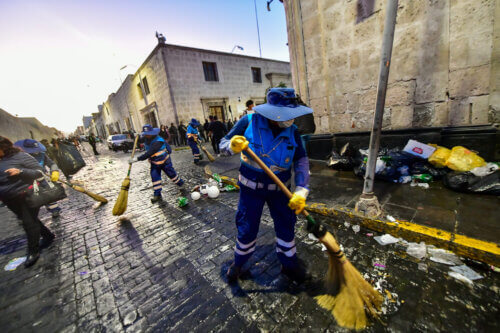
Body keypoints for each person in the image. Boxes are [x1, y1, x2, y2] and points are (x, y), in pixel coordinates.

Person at [219, 88, 313, 284]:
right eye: (285, 115)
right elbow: (223, 143)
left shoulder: (293, 132)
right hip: (251, 191)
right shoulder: (248, 122)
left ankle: (289, 265)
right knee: (247, 227)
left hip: (281, 191)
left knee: (286, 227)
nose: (289, 119)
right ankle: (240, 263)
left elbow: (302, 161)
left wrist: (301, 190)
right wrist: (231, 146)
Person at [0, 136, 55, 267]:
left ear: (3, 147)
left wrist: (20, 171)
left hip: (27, 194)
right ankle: (48, 236)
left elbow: (39, 172)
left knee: (28, 222)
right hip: (9, 199)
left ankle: (33, 251)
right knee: (30, 219)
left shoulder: (21, 156)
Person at [128, 125, 185, 203]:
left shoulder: (158, 141)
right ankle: (157, 194)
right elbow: (140, 140)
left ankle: (181, 184)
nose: (146, 135)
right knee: (155, 178)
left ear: (152, 133)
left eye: (147, 134)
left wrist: (137, 159)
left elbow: (150, 152)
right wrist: (135, 136)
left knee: (172, 175)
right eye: (145, 134)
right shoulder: (146, 138)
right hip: (155, 163)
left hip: (165, 161)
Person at [14, 139, 62, 218]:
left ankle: (55, 210)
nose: (35, 152)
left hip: (43, 178)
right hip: (29, 181)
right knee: (32, 199)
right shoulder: (21, 157)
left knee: (49, 195)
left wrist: (54, 171)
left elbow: (52, 164)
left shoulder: (42, 154)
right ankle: (28, 216)